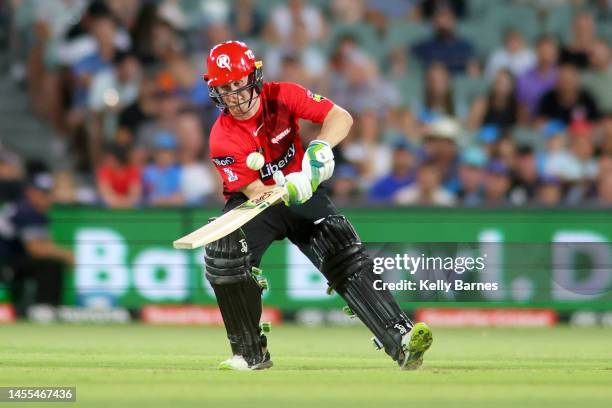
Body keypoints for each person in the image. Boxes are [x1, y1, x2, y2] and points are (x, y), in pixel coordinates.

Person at [201, 41, 432, 370]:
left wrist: (320, 148)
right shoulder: (222, 135)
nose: (235, 97)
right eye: (225, 88)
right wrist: (283, 188)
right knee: (225, 251)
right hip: (256, 202)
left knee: (342, 249)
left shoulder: (283, 95)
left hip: (303, 188)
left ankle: (402, 339)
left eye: (239, 84)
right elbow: (253, 190)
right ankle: (249, 354)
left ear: (254, 77)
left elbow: (341, 117)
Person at [0, 173, 74, 316]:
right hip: (5, 261)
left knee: (51, 262)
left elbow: (44, 244)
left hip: (13, 257)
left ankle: (48, 308)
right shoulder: (26, 210)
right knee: (49, 264)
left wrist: (60, 254)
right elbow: (35, 249)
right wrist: (66, 254)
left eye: (48, 193)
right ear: (30, 192)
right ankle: (45, 309)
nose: (47, 198)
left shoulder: (37, 212)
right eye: (42, 193)